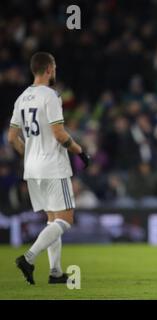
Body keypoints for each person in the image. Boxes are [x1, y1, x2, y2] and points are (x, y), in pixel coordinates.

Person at [8, 52, 90, 285]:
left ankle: (55, 272)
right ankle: (28, 258)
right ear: (49, 69)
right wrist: (80, 151)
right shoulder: (51, 96)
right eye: (54, 68)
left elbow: (12, 137)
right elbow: (59, 133)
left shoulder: (22, 97)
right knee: (65, 219)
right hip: (53, 166)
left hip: (32, 168)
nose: (55, 71)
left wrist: (30, 154)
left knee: (53, 219)